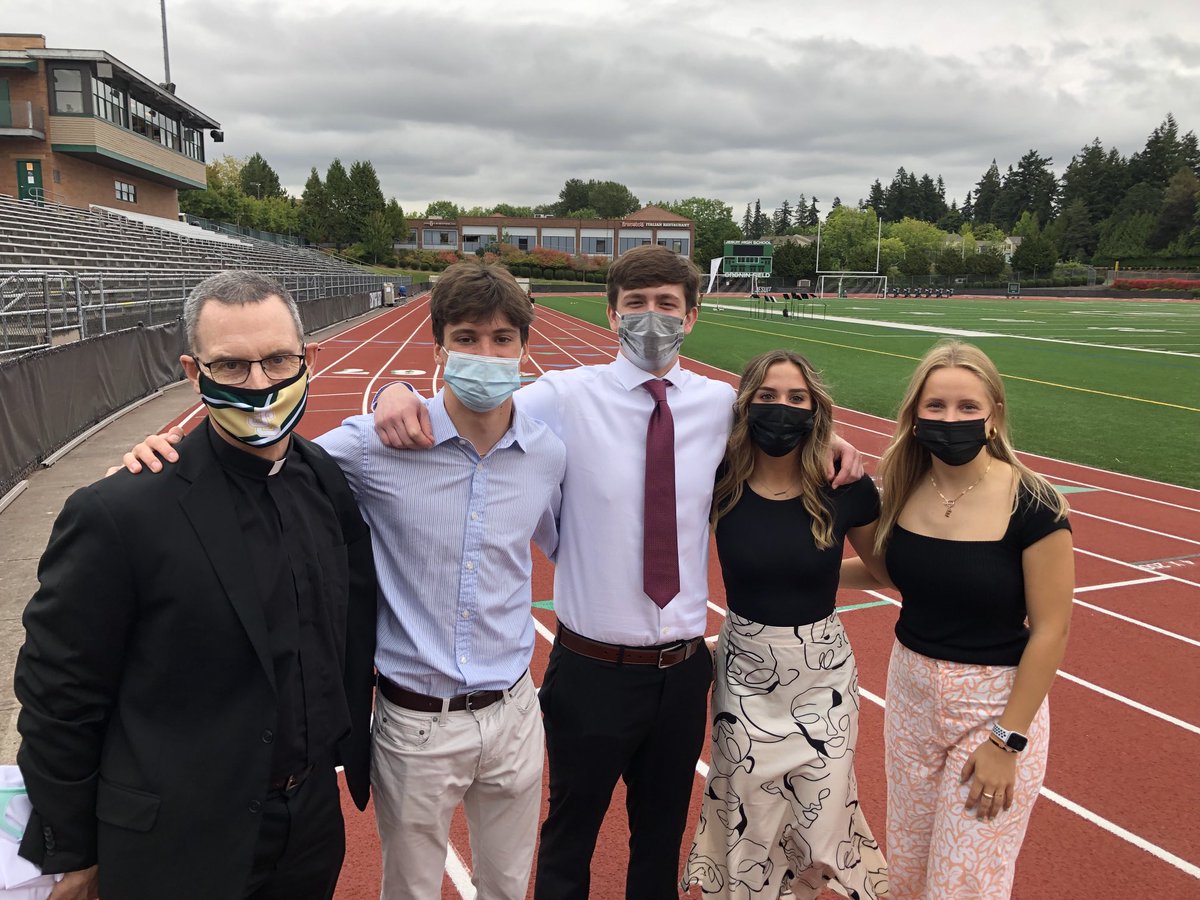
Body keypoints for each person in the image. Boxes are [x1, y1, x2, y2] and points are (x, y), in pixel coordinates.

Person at [372, 245, 865, 899]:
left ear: (692, 316)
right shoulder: (563, 397)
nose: (651, 316)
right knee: (569, 837)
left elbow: (788, 430)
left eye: (667, 304)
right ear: (612, 314)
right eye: (636, 303)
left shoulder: (722, 405)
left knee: (659, 840)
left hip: (683, 671)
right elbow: (470, 407)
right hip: (591, 670)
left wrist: (831, 439)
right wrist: (397, 392)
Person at [121, 261, 564, 900]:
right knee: (409, 889)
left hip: (516, 710)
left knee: (509, 885)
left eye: (502, 339)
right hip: (418, 721)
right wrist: (155, 463)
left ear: (524, 347)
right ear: (440, 348)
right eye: (466, 338)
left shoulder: (546, 453)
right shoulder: (370, 446)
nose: (486, 354)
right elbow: (258, 462)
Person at [14, 271, 378, 900]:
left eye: (277, 360)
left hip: (309, 824)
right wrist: (73, 847)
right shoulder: (121, 511)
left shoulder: (324, 481)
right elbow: (59, 694)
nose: (259, 384)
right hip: (177, 839)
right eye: (231, 365)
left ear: (308, 360)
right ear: (192, 372)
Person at [842, 339, 1074, 898]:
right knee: (907, 872)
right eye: (936, 406)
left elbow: (1051, 630)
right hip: (911, 695)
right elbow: (888, 572)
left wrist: (1007, 741)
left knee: (963, 885)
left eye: (968, 406)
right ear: (915, 415)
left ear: (994, 415)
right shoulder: (903, 489)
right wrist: (798, 572)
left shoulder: (1034, 504)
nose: (951, 419)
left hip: (993, 705)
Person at [682, 350, 889, 899]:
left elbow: (884, 572)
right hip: (745, 674)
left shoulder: (844, 487)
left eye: (797, 398)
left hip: (823, 678)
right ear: (745, 406)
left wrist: (813, 571)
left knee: (819, 824)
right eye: (767, 396)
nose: (782, 408)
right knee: (751, 817)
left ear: (815, 408)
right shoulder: (718, 479)